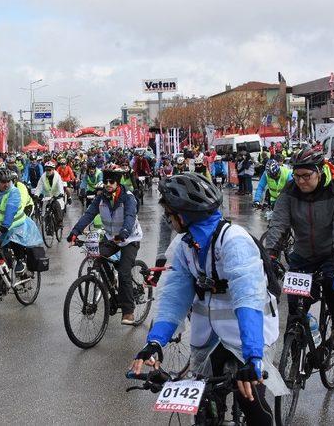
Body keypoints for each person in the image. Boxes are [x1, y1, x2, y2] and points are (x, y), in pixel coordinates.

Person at [131, 174, 284, 426]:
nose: (168, 220)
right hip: (210, 337)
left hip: (249, 332)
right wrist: (155, 341)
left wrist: (252, 357)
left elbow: (248, 300)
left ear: (184, 215)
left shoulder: (234, 241)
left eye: (170, 214)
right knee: (204, 406)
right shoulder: (185, 245)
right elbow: (174, 297)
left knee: (251, 400)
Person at [265, 147, 334, 349]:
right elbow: (278, 225)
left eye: (306, 176)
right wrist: (269, 255)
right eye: (296, 176)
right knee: (296, 307)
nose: (300, 181)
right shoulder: (290, 191)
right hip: (303, 255)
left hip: (333, 252)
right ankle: (295, 349)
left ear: (320, 170)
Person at [68, 167, 141, 325]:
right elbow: (88, 214)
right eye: (106, 181)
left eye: (111, 181)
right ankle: (111, 287)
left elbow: (130, 216)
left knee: (123, 272)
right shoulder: (100, 198)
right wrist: (75, 232)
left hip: (129, 239)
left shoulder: (128, 197)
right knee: (97, 257)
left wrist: (124, 232)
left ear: (117, 182)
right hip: (111, 238)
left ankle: (128, 311)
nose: (108, 184)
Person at [0, 169, 42, 275]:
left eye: (8, 182)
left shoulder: (14, 191)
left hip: (17, 225)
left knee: (13, 240)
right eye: (3, 182)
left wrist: (5, 226)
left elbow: (11, 209)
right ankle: (2, 271)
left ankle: (21, 261)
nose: (6, 185)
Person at [35, 162, 65, 232]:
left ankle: (59, 222)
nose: (48, 171)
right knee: (45, 210)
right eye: (46, 170)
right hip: (47, 196)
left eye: (49, 169)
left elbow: (60, 186)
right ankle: (48, 226)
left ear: (53, 169)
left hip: (56, 196)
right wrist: (36, 195)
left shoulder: (57, 176)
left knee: (56, 205)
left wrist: (61, 193)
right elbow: (39, 187)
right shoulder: (43, 177)